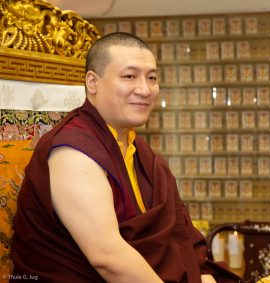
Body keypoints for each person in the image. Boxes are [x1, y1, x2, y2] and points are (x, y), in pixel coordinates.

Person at [11, 32, 241, 283]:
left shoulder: (141, 153)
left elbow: (182, 237)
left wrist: (203, 275)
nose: (144, 89)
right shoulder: (73, 151)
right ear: (92, 82)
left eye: (151, 78)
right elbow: (107, 257)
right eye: (129, 76)